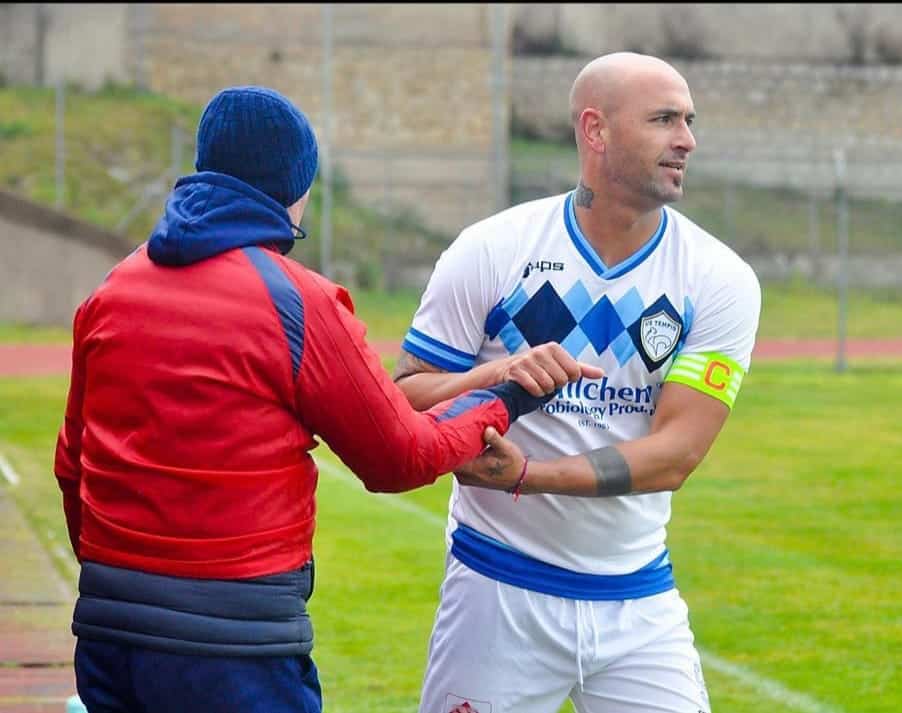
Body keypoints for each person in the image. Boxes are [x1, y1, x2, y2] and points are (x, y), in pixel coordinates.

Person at [53, 85, 570, 713]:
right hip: (237, 646)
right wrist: (507, 398)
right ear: (295, 187)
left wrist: (120, 586)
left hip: (108, 634)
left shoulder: (115, 287)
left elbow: (73, 463)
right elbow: (398, 458)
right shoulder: (297, 301)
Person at [394, 52, 762, 712]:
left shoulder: (718, 277)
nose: (687, 139)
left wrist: (527, 475)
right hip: (496, 591)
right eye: (663, 119)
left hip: (639, 606)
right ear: (596, 130)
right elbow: (403, 398)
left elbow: (676, 455)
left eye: (689, 120)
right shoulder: (492, 249)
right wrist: (497, 372)